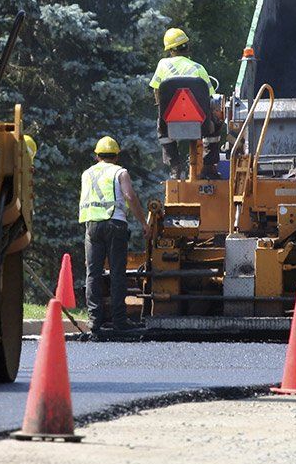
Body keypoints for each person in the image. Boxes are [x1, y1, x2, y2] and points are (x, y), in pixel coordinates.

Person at [79, 136, 151, 332]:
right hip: (115, 224)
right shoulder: (120, 172)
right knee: (117, 273)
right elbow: (129, 196)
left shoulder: (87, 173)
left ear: (96, 156)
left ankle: (94, 320)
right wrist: (144, 223)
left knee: (93, 273)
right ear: (116, 156)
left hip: (92, 225)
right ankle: (119, 321)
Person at [148, 27, 220, 180]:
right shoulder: (199, 68)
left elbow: (156, 92)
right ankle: (208, 167)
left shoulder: (162, 65)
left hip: (169, 124)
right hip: (200, 124)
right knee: (216, 123)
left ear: (170, 50)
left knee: (161, 129)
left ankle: (175, 166)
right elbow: (212, 98)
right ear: (187, 47)